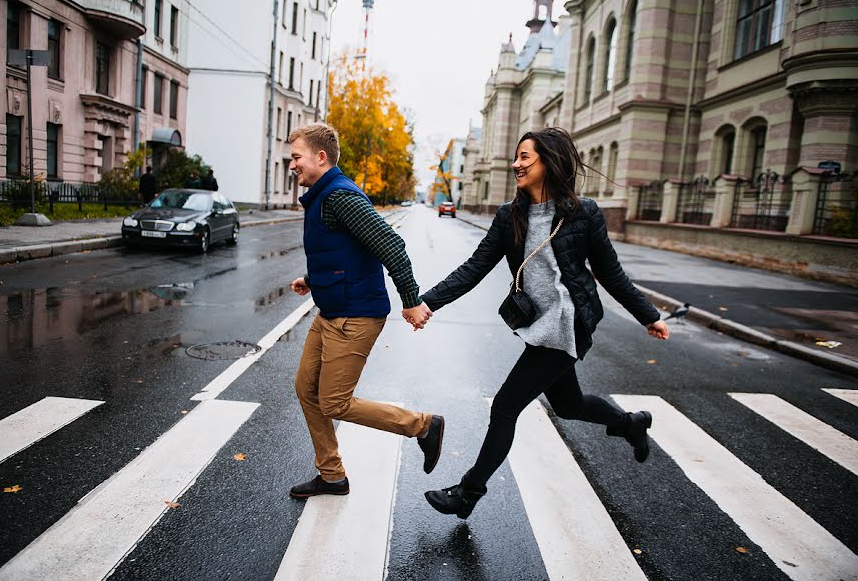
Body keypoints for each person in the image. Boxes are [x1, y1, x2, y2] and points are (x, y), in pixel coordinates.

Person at [417, 127, 670, 519]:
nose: (516, 164)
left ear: (548, 162)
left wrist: (648, 315)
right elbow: (474, 268)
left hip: (568, 325)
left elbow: (611, 273)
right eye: (516, 157)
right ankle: (630, 423)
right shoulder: (510, 215)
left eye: (525, 157)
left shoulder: (583, 214)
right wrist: (428, 301)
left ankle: (468, 493)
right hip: (540, 325)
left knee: (504, 407)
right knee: (569, 406)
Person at [286, 123, 443, 499]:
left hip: (354, 316)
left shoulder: (340, 196)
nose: (292, 165)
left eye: (296, 157)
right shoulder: (324, 197)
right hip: (331, 310)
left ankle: (422, 426)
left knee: (335, 401)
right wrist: (313, 278)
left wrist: (410, 300)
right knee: (305, 388)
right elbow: (346, 250)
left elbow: (389, 244)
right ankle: (332, 475)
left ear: (320, 157)